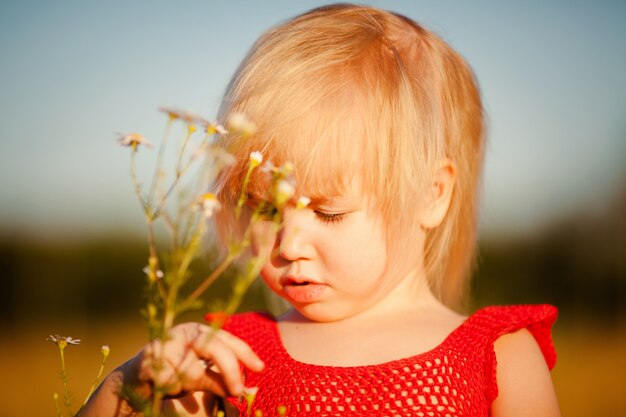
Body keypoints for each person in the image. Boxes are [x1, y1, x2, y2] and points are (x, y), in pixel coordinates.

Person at [81, 4, 561, 417]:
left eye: (328, 212)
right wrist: (128, 387)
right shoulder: (228, 356)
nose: (288, 245)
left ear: (431, 194)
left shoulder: (496, 358)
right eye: (265, 209)